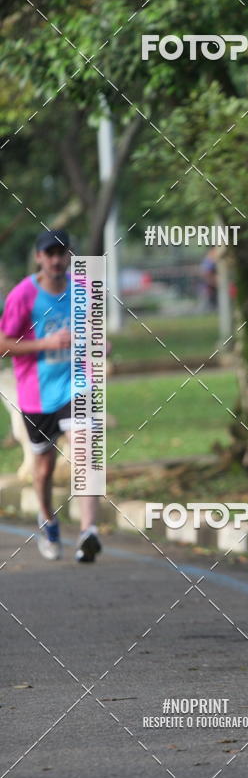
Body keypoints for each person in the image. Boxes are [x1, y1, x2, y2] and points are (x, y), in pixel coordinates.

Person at [0, 229, 102, 563]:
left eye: (62, 252)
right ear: (39, 258)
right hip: (37, 394)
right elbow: (3, 344)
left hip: (77, 383)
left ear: (70, 255)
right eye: (50, 253)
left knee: (86, 448)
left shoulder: (84, 288)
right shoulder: (22, 296)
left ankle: (89, 531)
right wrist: (45, 344)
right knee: (43, 468)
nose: (57, 259)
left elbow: (94, 331)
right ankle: (47, 519)